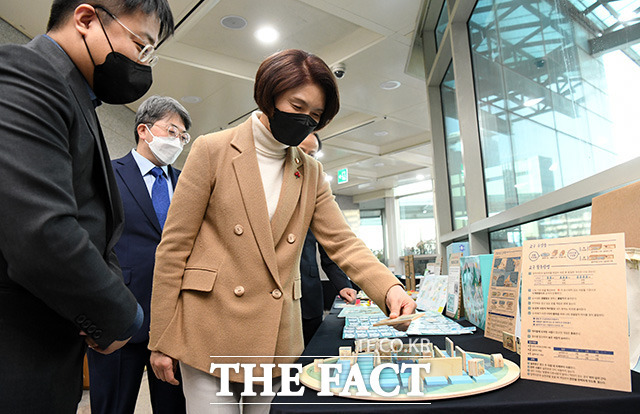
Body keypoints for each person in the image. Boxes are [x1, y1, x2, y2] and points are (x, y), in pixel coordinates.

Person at [148, 49, 416, 413]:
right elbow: (174, 248)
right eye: (297, 105)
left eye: (316, 116)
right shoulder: (212, 150)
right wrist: (160, 338)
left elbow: (343, 242)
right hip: (209, 327)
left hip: (275, 334)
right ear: (270, 94)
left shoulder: (311, 172)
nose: (305, 119)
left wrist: (390, 289)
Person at [0, 1, 173, 412]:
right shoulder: (26, 73)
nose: (143, 63)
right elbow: (41, 232)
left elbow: (98, 227)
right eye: (141, 45)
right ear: (86, 19)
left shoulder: (80, 96)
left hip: (53, 345)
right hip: (18, 347)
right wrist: (121, 317)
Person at [87, 96, 190, 414]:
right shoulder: (107, 174)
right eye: (171, 131)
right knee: (113, 406)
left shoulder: (186, 182)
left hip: (174, 322)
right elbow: (92, 243)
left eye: (183, 137)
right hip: (121, 313)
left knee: (173, 406)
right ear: (144, 129)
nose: (177, 141)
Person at [298, 132, 357, 345]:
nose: (304, 158)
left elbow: (332, 248)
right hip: (269, 302)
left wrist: (343, 285)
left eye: (311, 154)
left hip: (309, 294)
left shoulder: (316, 193)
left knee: (312, 356)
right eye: (300, 150)